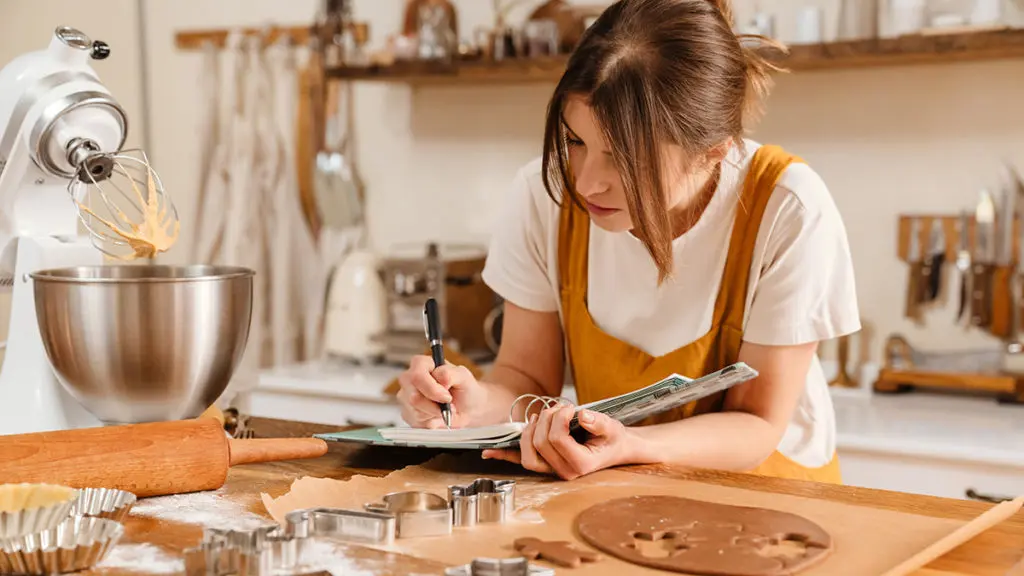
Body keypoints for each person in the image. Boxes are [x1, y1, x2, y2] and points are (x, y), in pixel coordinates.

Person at [396, 0, 860, 483]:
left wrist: (630, 445)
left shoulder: (786, 207)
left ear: (714, 151)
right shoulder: (542, 196)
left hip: (770, 507)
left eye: (623, 157)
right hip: (617, 495)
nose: (586, 183)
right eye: (576, 142)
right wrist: (474, 403)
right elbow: (527, 382)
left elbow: (758, 423)